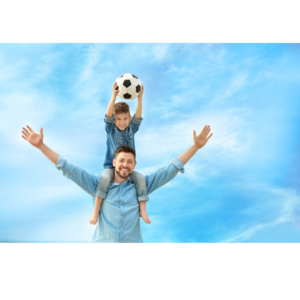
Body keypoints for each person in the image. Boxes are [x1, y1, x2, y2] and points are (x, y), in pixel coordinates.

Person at [21, 124, 213, 244]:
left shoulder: (141, 186)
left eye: (129, 162)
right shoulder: (97, 184)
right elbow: (69, 168)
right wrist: (41, 146)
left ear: (134, 165)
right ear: (114, 162)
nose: (125, 165)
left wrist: (195, 147)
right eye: (121, 160)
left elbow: (168, 171)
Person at [91, 82, 150, 226]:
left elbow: (138, 115)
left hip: (127, 169)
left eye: (125, 119)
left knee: (141, 179)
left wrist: (140, 98)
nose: (122, 122)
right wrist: (114, 96)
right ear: (114, 119)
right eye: (118, 119)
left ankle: (143, 209)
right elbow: (108, 115)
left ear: (129, 119)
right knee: (104, 180)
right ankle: (96, 208)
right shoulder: (111, 130)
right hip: (111, 168)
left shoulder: (131, 129)